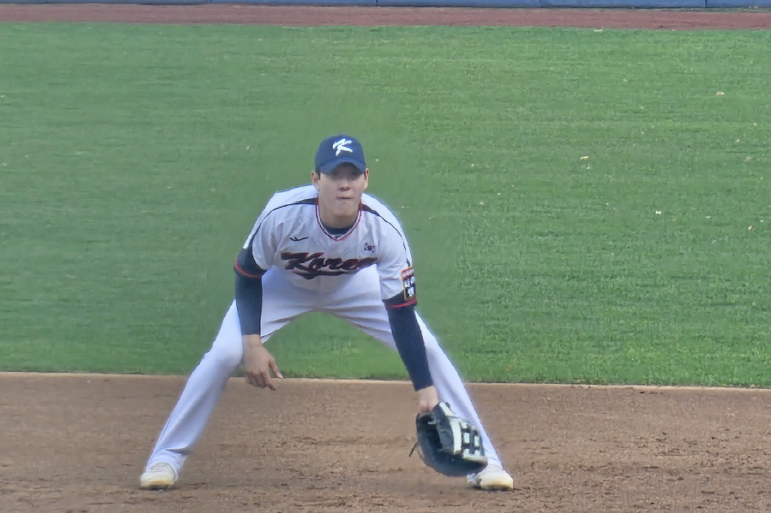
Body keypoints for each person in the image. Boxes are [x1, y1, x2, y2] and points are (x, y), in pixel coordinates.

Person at [139, 134, 512, 491]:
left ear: (366, 179)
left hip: (352, 286)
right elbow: (248, 276)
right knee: (224, 354)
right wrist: (252, 344)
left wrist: (425, 390)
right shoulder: (282, 214)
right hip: (283, 286)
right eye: (335, 175)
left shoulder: (384, 229)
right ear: (316, 179)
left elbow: (400, 311)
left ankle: (486, 464)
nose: (344, 185)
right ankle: (166, 458)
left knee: (429, 350)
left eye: (352, 175)